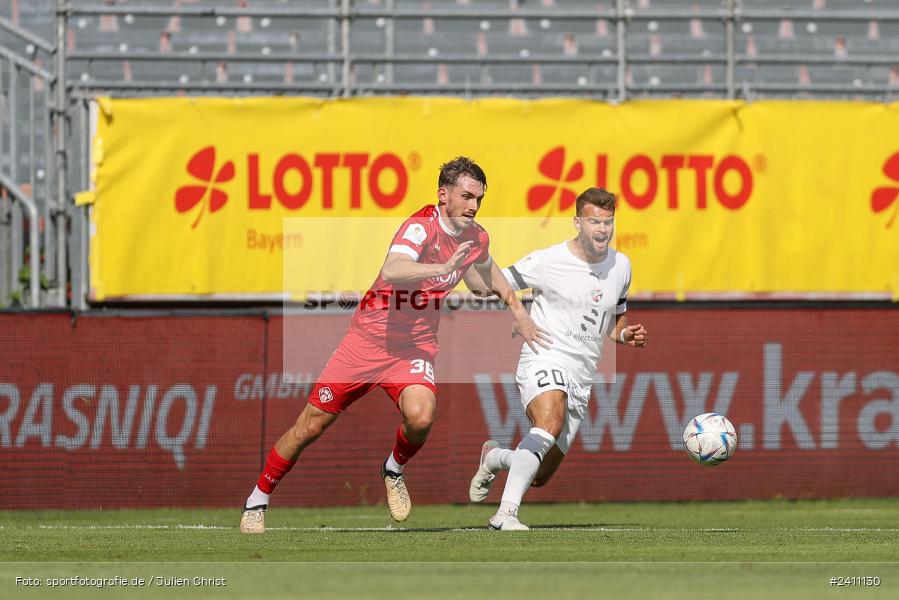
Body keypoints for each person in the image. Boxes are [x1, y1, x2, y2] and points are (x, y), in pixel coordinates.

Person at [240, 156, 550, 533]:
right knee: (310, 426)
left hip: (413, 348)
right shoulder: (420, 228)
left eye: (479, 199)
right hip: (367, 341)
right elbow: (393, 269)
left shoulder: (475, 236)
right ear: (443, 195)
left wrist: (517, 309)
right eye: (466, 196)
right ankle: (257, 499)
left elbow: (488, 269)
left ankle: (393, 468)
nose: (473, 206)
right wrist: (442, 267)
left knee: (421, 416)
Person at [467, 187, 648, 531]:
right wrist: (469, 266)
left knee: (538, 475)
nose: (602, 229)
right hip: (545, 354)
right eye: (595, 221)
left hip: (582, 377)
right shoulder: (548, 261)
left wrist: (624, 335)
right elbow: (491, 283)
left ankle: (493, 457)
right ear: (577, 222)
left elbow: (613, 320)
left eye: (608, 222)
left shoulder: (621, 266)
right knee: (549, 420)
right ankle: (505, 514)